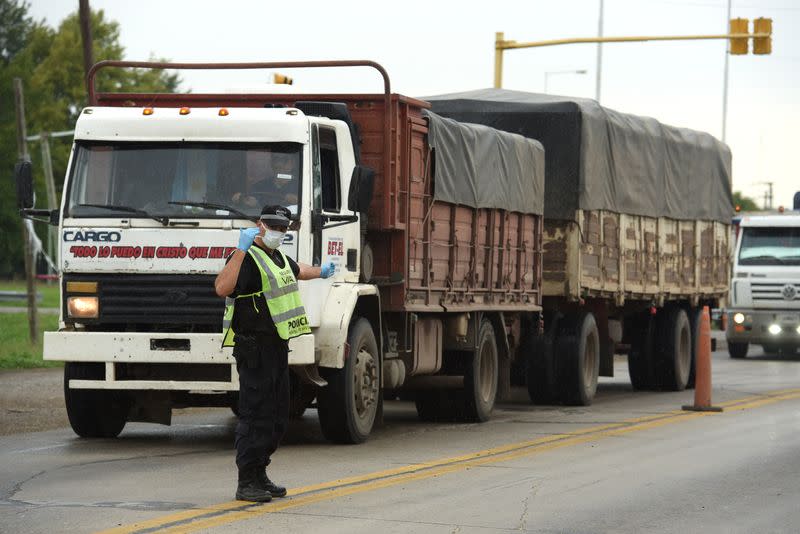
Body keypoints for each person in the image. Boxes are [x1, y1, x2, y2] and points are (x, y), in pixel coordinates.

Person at [215, 204, 335, 502]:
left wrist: (322, 271)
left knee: (278, 414)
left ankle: (260, 473)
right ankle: (246, 481)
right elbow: (221, 287)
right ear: (260, 225)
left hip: (277, 346)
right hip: (253, 348)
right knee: (255, 414)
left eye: (283, 228)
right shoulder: (245, 257)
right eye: (274, 226)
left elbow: (299, 271)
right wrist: (240, 250)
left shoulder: (278, 257)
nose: (279, 232)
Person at [231, 152, 299, 209]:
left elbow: (307, 208)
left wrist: (298, 202)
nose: (279, 164)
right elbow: (250, 203)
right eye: (275, 159)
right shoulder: (259, 186)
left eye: (284, 160)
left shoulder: (301, 187)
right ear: (271, 163)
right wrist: (242, 199)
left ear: (292, 164)